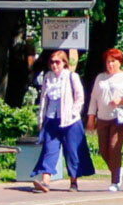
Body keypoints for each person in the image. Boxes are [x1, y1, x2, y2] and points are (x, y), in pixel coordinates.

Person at [29, 50, 85, 193]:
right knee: (49, 149)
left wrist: (73, 113)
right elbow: (43, 99)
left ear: (64, 63)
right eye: (52, 62)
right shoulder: (48, 78)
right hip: (51, 119)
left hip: (70, 121)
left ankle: (73, 182)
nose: (54, 65)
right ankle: (45, 181)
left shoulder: (72, 77)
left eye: (57, 62)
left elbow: (80, 97)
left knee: (72, 151)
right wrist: (41, 118)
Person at [87, 48, 123, 192]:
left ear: (120, 62)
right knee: (104, 151)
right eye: (108, 61)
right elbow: (93, 98)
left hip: (120, 118)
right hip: (103, 118)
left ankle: (115, 181)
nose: (110, 64)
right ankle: (118, 170)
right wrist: (91, 117)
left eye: (113, 61)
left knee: (114, 147)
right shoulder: (100, 77)